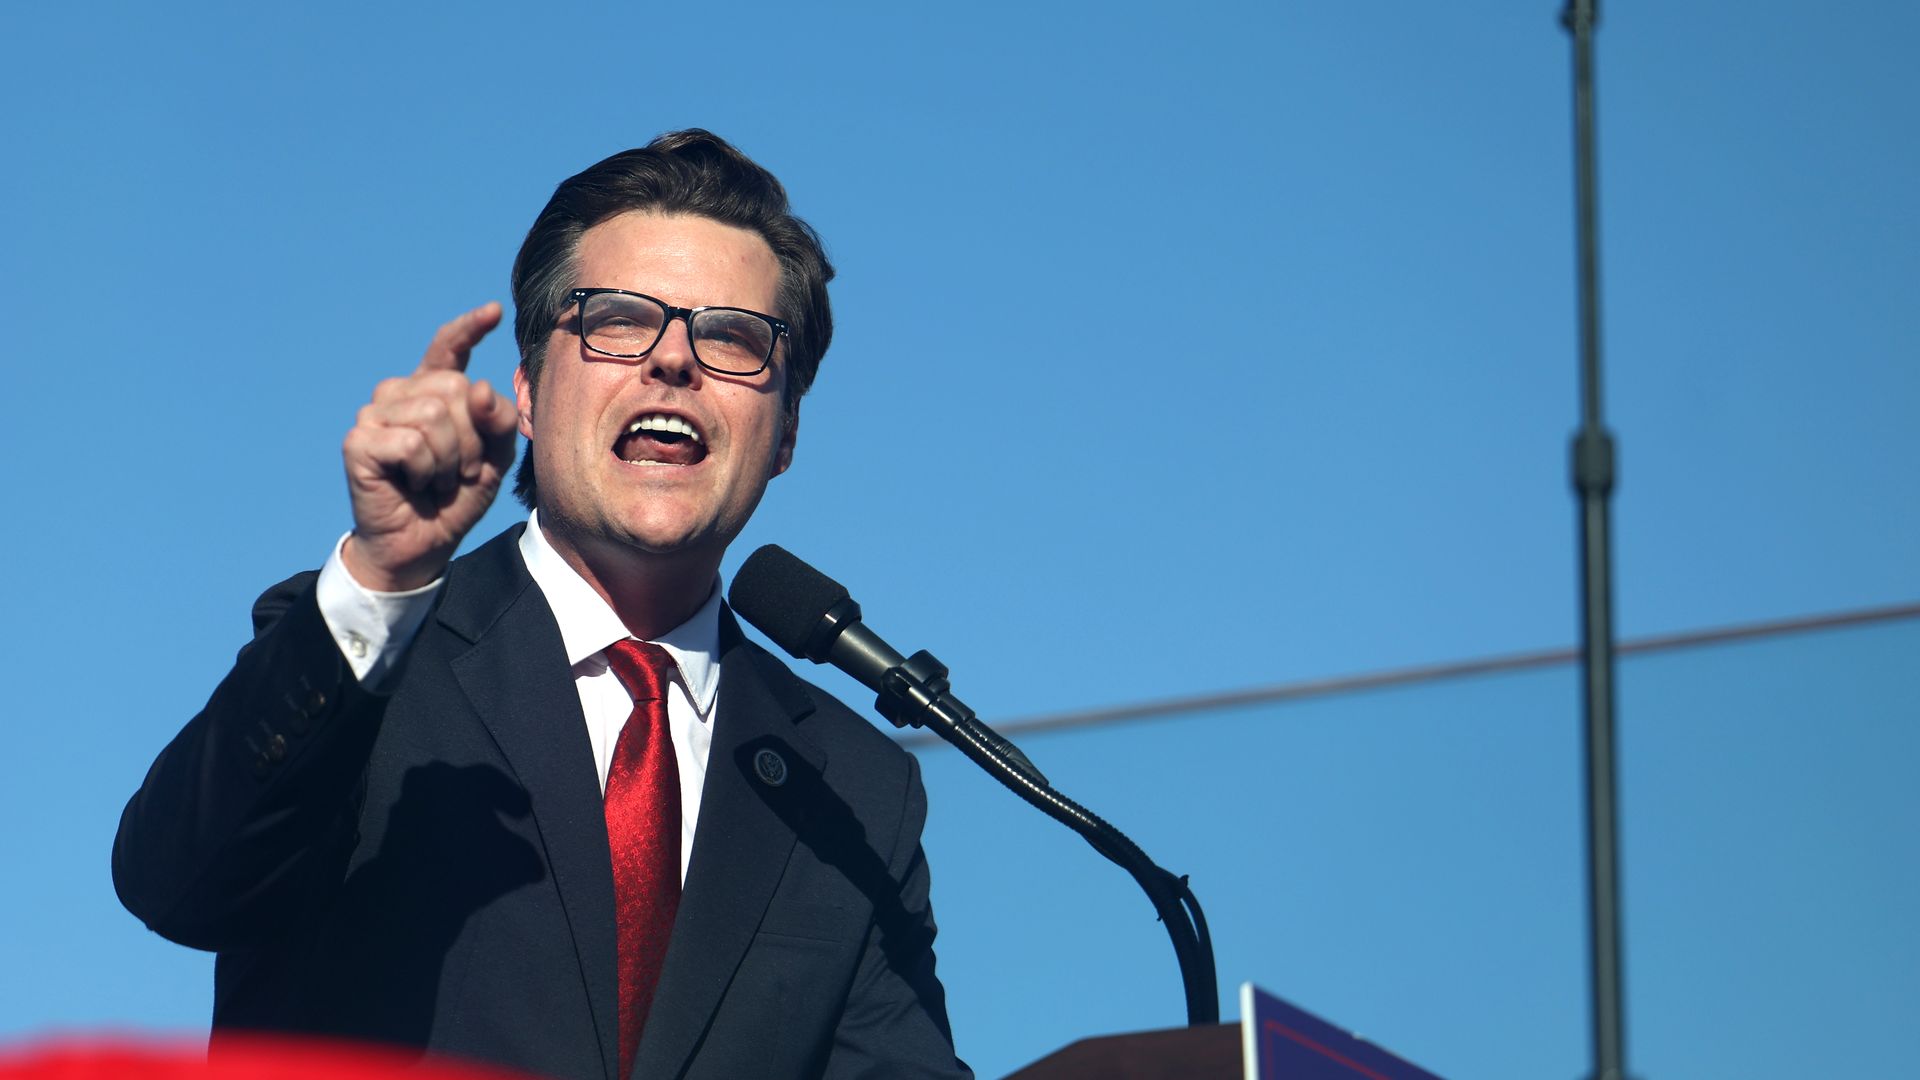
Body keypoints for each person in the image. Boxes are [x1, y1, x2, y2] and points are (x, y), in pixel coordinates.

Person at [113, 130, 970, 1080]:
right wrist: (384, 576)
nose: (674, 363)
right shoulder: (369, 655)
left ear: (786, 434)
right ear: (527, 389)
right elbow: (176, 885)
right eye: (618, 320)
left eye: (731, 335)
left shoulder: (854, 788)